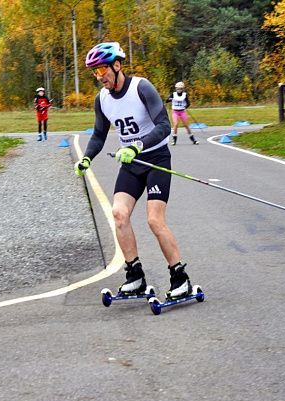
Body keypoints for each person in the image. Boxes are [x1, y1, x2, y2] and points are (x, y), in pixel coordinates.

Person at [75, 42, 193, 299]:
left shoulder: (141, 87)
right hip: (131, 163)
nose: (99, 76)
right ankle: (135, 275)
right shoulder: (102, 99)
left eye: (102, 69)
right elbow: (98, 135)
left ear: (117, 65)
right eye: (95, 72)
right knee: (119, 213)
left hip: (156, 159)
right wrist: (86, 159)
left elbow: (163, 126)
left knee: (154, 220)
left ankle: (180, 278)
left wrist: (137, 145)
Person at [165, 81, 198, 145]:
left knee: (186, 125)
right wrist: (169, 99)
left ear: (182, 89)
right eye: (177, 88)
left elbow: (188, 103)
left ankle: (193, 139)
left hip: (182, 112)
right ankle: (174, 140)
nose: (179, 90)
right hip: (175, 112)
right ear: (176, 89)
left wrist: (185, 106)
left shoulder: (184, 95)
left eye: (180, 89)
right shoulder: (173, 94)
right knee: (176, 124)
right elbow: (167, 100)